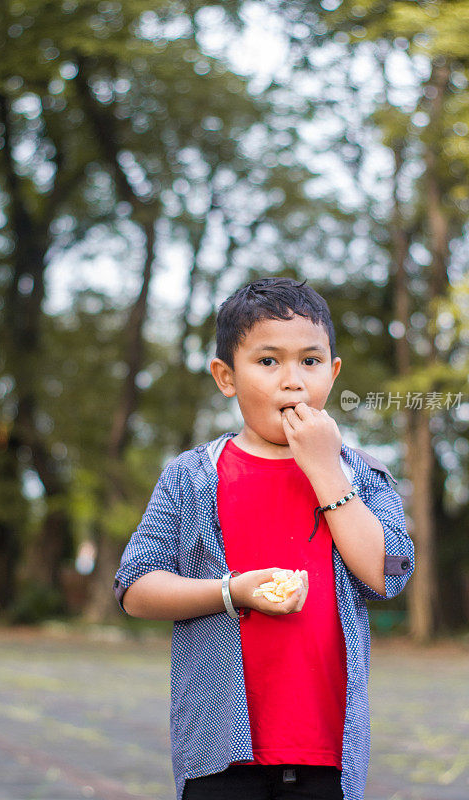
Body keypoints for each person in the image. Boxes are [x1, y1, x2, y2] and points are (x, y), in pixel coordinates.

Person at [113, 277, 414, 800]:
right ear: (226, 377)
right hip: (220, 750)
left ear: (333, 372)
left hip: (328, 753)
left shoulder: (362, 475)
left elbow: (386, 572)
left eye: (311, 362)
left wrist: (325, 468)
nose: (292, 381)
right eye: (268, 361)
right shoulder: (192, 476)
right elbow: (135, 587)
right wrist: (231, 592)